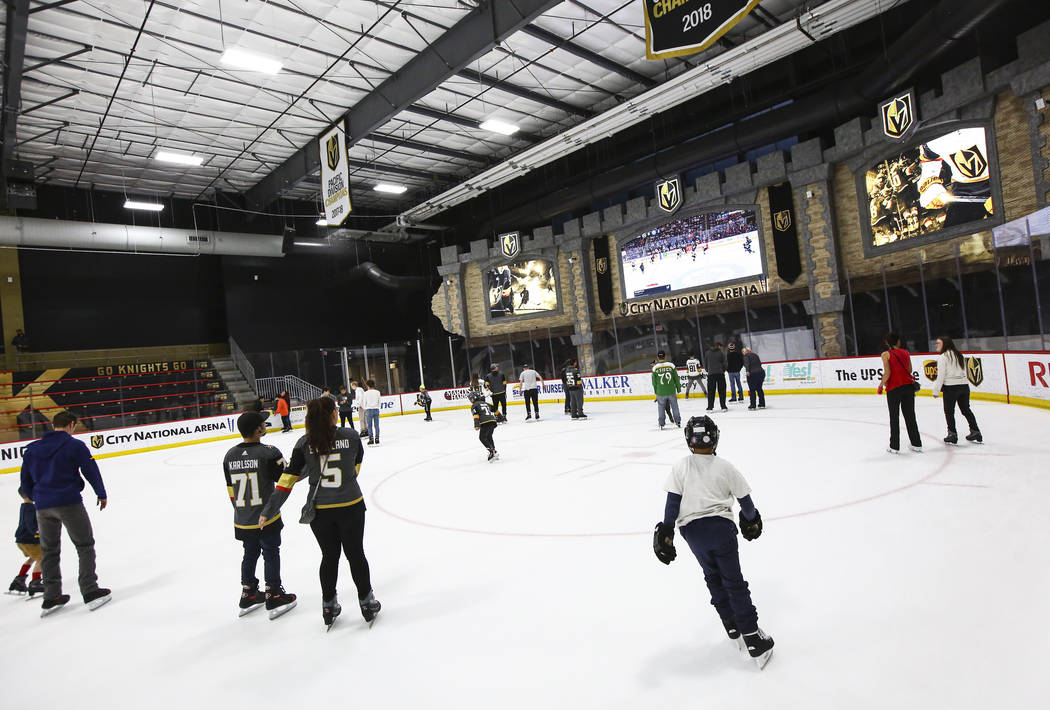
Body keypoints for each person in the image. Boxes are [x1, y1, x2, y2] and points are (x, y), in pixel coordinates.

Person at [652, 416, 774, 669]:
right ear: (715, 437)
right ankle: (752, 636)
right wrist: (751, 519)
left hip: (692, 533)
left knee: (713, 577)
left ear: (689, 440)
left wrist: (667, 531)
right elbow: (746, 502)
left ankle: (731, 627)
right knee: (734, 583)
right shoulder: (725, 467)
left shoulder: (681, 466)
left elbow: (672, 504)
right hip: (721, 529)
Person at [258, 397, 379, 630]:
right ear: (334, 413)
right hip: (351, 505)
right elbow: (355, 467)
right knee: (356, 554)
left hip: (321, 512)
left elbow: (286, 481)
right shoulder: (352, 436)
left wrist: (269, 509)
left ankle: (328, 604)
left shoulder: (304, 443)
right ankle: (366, 601)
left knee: (329, 556)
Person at [19, 410, 111, 616]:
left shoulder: (32, 450)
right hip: (68, 502)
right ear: (71, 424)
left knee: (49, 550)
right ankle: (90, 590)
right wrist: (101, 493)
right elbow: (90, 469)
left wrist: (38, 497)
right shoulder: (74, 445)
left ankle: (51, 595)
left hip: (42, 506)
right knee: (84, 545)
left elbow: (25, 481)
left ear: (53, 425)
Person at [222, 412, 296, 619]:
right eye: (262, 423)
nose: (265, 424)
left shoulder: (229, 455)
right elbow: (287, 478)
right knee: (271, 551)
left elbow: (231, 491)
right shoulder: (268, 453)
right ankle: (273, 593)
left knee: (250, 552)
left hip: (243, 518)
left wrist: (242, 512)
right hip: (266, 516)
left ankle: (248, 592)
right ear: (257, 429)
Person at [930, 336, 982, 445]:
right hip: (964, 386)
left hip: (951, 388)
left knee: (949, 412)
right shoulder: (959, 355)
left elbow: (941, 376)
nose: (936, 345)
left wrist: (936, 391)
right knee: (966, 409)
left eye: (938, 343)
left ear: (945, 344)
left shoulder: (943, 357)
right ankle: (975, 431)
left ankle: (952, 434)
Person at [878, 333, 923, 454]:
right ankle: (916, 444)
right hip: (908, 388)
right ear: (898, 341)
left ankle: (894, 446)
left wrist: (881, 385)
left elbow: (887, 373)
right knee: (910, 416)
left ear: (887, 343)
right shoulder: (906, 353)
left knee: (894, 417)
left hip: (894, 389)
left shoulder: (885, 354)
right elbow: (909, 370)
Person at [8, 488, 43, 596]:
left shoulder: (24, 506)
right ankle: (35, 582)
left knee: (33, 557)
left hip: (22, 540)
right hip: (29, 540)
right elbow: (29, 523)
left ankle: (19, 579)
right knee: (42, 557)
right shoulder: (30, 508)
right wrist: (37, 533)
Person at [651, 350, 681, 429]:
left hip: (660, 392)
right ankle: (677, 421)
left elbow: (654, 382)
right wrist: (678, 388)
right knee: (674, 406)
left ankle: (661, 423)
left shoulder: (655, 368)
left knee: (661, 407)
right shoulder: (671, 365)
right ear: (665, 356)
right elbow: (676, 379)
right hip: (671, 390)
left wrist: (656, 392)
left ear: (658, 357)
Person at [469, 391, 499, 462]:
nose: (470, 400)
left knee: (482, 437)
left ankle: (491, 451)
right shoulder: (485, 403)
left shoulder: (474, 405)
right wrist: (500, 417)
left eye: (471, 399)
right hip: (492, 421)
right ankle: (494, 451)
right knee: (489, 437)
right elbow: (494, 409)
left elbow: (476, 415)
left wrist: (476, 425)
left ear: (474, 398)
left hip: (485, 422)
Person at [704, 343, 728, 412]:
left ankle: (710, 407)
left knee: (711, 391)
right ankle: (723, 406)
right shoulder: (721, 353)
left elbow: (705, 363)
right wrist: (723, 370)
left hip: (711, 374)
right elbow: (725, 363)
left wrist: (708, 370)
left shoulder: (707, 353)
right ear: (718, 347)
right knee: (722, 390)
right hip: (720, 373)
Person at [362, 379, 382, 445]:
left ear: (367, 385)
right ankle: (377, 438)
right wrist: (377, 407)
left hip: (369, 410)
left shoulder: (365, 393)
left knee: (369, 425)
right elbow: (379, 402)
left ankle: (371, 438)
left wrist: (365, 408)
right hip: (376, 409)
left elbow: (364, 402)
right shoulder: (378, 392)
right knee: (376, 425)